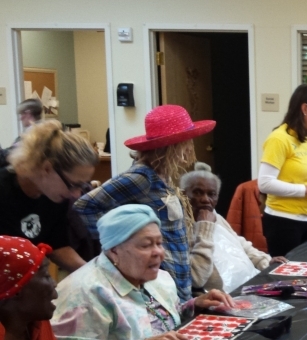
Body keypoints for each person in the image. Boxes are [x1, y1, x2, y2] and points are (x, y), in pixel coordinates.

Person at [51, 205, 233, 340]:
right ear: (114, 250)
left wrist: (194, 306)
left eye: (159, 243)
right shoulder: (84, 294)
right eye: (146, 245)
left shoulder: (158, 278)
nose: (159, 252)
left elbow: (158, 320)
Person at [73, 104, 215, 303]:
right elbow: (84, 206)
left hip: (176, 284)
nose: (190, 148)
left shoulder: (164, 176)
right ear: (173, 146)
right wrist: (118, 242)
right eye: (186, 142)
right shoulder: (141, 177)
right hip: (155, 284)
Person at [0, 119, 96, 273]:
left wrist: (95, 273)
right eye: (73, 184)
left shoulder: (54, 197)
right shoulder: (4, 191)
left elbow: (57, 245)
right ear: (47, 168)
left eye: (82, 186)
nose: (77, 194)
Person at [181, 163, 286, 291]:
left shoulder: (216, 217)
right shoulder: (179, 226)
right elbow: (197, 278)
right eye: (198, 193)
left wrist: (265, 261)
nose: (205, 199)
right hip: (220, 294)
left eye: (211, 194)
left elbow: (238, 243)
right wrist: (205, 226)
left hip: (247, 283)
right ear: (183, 194)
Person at [258, 85, 307, 257]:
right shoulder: (279, 139)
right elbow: (264, 183)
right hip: (283, 222)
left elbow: (305, 175)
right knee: (287, 274)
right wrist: (306, 189)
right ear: (305, 109)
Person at [0, 99, 43, 166]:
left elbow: (7, 157)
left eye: (22, 114)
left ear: (28, 113)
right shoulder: (42, 130)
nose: (20, 118)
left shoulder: (32, 134)